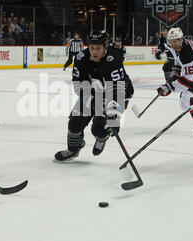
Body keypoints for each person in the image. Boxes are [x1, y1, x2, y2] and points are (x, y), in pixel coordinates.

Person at [54, 30, 134, 161]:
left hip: (117, 94)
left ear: (105, 47)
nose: (94, 52)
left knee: (99, 129)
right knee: (74, 124)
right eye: (92, 48)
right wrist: (89, 99)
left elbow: (118, 90)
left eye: (98, 48)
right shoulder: (81, 57)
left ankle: (102, 136)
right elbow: (78, 83)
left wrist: (114, 115)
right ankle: (73, 149)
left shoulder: (113, 60)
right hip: (92, 93)